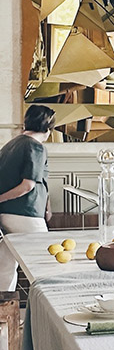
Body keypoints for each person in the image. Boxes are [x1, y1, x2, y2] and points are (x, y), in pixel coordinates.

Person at [0, 105, 55, 291]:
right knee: (47, 262)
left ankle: (4, 307)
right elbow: (28, 185)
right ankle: (50, 306)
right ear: (48, 129)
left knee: (6, 264)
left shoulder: (9, 146)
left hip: (7, 215)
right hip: (26, 214)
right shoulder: (36, 147)